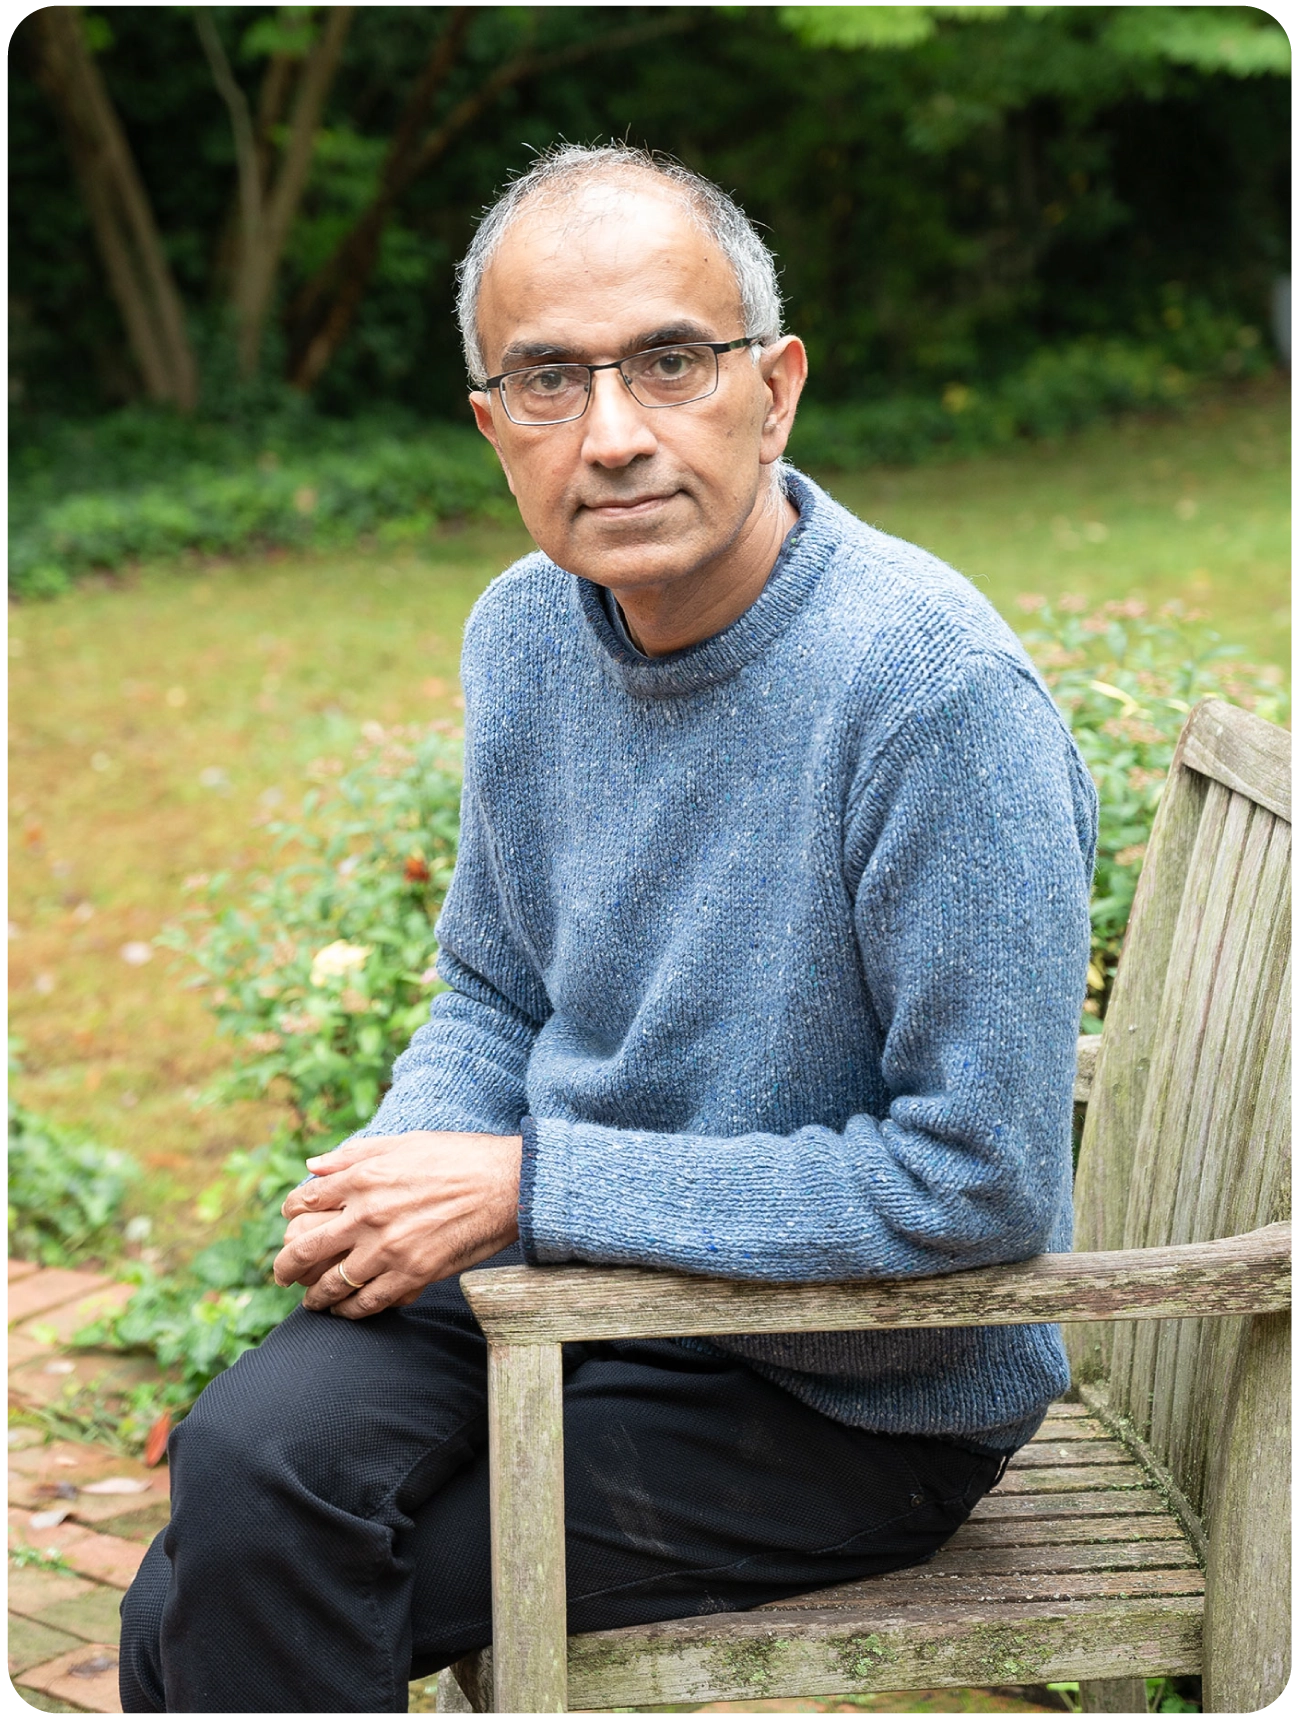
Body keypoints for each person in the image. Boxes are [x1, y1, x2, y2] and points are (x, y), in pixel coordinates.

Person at [119, 143, 1096, 1720]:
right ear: (493, 425)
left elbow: (977, 1185)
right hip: (573, 1282)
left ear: (774, 390)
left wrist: (529, 1183)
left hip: (850, 1391)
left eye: (670, 362)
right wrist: (400, 1180)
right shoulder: (523, 633)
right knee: (242, 1468)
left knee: (220, 1590)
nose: (618, 434)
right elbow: (496, 988)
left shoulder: (929, 698)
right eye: (551, 381)